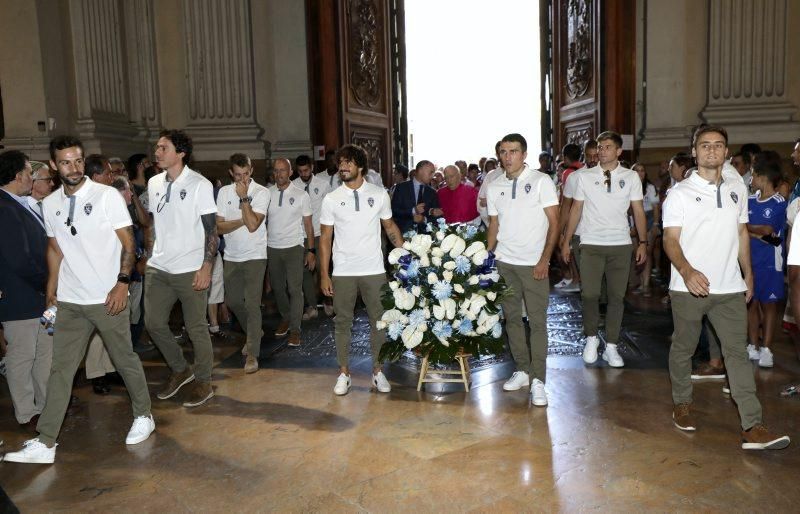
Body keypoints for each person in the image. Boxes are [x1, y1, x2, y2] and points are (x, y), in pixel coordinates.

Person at [4, 136, 154, 465]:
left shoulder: (106, 196)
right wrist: (52, 289)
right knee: (60, 370)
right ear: (55, 166)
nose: (74, 167)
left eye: (79, 160)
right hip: (71, 302)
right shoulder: (51, 202)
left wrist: (122, 284)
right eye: (67, 162)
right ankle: (46, 441)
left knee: (124, 358)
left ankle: (144, 415)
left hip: (107, 297)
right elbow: (55, 248)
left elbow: (129, 245)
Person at [662, 124, 789, 450]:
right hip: (688, 287)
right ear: (694, 151)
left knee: (737, 355)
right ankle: (682, 404)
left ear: (726, 153)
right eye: (704, 145)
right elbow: (670, 239)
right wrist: (687, 270)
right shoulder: (679, 194)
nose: (711, 151)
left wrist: (748, 274)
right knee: (684, 348)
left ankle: (753, 425)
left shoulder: (736, 190)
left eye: (718, 145)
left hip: (729, 288)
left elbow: (742, 234)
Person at [319, 144, 404, 395]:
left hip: (374, 270)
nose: (342, 167)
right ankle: (344, 373)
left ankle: (378, 372)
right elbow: (325, 238)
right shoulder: (331, 198)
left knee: (379, 322)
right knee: (342, 322)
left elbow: (389, 227)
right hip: (343, 270)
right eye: (340, 163)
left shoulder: (379, 194)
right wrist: (324, 273)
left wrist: (406, 256)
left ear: (360, 166)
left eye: (348, 162)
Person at [144, 129, 219, 408]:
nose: (157, 152)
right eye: (157, 147)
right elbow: (154, 222)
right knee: (153, 323)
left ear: (180, 153)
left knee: (196, 327)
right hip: (159, 267)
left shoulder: (199, 184)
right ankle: (180, 368)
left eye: (163, 148)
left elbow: (212, 230)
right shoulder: (153, 183)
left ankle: (203, 381)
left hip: (190, 268)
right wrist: (150, 254)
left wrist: (206, 266)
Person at [561, 131, 648, 368]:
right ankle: (590, 338)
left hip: (620, 243)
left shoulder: (630, 177)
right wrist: (567, 240)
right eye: (600, 147)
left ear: (619, 151)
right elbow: (575, 209)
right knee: (589, 294)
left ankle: (611, 345)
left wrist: (642, 242)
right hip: (590, 242)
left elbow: (638, 211)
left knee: (617, 297)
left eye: (607, 147)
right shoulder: (584, 177)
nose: (602, 151)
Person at [486, 134, 559, 406]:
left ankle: (539, 379)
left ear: (524, 154)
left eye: (513, 151)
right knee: (512, 319)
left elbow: (555, 222)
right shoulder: (494, 186)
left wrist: (545, 259)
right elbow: (494, 224)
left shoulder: (541, 181)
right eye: (503, 152)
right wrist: (486, 255)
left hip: (534, 264)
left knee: (537, 322)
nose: (508, 156)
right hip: (506, 262)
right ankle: (523, 370)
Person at [0, 151, 51, 431]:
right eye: (30, 172)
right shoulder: (4, 207)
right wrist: (47, 283)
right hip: (20, 296)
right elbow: (19, 258)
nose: (32, 177)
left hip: (35, 294)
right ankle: (26, 412)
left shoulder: (18, 204)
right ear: (18, 175)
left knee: (43, 354)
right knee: (21, 357)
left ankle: (45, 407)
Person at [216, 153, 268, 373]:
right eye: (238, 175)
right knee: (235, 302)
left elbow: (254, 225)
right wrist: (242, 220)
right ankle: (255, 332)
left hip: (255, 255)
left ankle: (253, 355)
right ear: (231, 173)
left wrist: (244, 197)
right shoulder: (224, 192)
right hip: (232, 256)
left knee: (252, 304)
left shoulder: (261, 192)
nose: (242, 179)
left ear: (251, 170)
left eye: (246, 174)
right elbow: (219, 227)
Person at [266, 158, 315, 347]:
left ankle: (295, 330)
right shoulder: (267, 193)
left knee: (295, 289)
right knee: (278, 288)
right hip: (272, 247)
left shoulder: (301, 195)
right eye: (276, 171)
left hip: (294, 247)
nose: (279, 174)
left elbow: (309, 227)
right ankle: (286, 317)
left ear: (290, 172)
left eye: (283, 170)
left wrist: (311, 251)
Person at [746, 151, 787, 368]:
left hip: (770, 260)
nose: (750, 180)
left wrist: (748, 229)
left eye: (753, 175)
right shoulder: (749, 200)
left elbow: (768, 230)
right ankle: (752, 345)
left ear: (763, 177)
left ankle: (767, 348)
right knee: (751, 303)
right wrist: (755, 234)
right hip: (750, 259)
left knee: (769, 304)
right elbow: (743, 225)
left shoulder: (779, 202)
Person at [292, 154, 332, 320]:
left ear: (312, 167)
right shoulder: (293, 186)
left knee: (323, 268)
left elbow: (329, 210)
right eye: (300, 171)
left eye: (306, 170)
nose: (304, 174)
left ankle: (328, 301)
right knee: (304, 271)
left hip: (318, 233)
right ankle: (312, 306)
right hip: (300, 234)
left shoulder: (323, 185)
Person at [555, 143, 585, 293]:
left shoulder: (568, 173)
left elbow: (566, 199)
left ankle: (575, 279)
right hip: (583, 215)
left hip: (573, 213)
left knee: (569, 249)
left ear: (566, 157)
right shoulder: (584, 169)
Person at [390, 160, 442, 233]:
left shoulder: (432, 192)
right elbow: (393, 212)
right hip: (403, 236)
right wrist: (413, 211)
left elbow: (437, 218)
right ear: (420, 171)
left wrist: (424, 219)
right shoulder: (401, 188)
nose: (433, 176)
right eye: (431, 172)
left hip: (425, 239)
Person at [632, 162, 660, 296]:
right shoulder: (629, 186)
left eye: (642, 170)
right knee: (637, 252)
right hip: (634, 218)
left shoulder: (649, 187)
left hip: (648, 217)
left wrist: (655, 224)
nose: (640, 173)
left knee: (647, 252)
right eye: (637, 171)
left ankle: (646, 285)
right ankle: (641, 281)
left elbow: (655, 207)